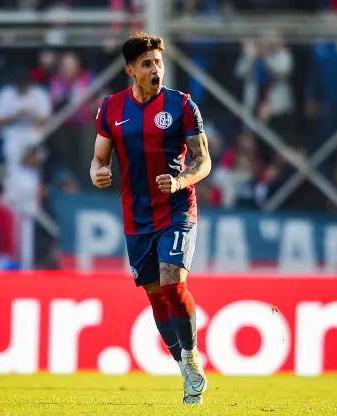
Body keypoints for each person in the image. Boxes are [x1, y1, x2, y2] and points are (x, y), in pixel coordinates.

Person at [90, 32, 212, 405]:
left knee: (173, 283)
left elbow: (203, 161)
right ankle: (182, 364)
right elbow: (99, 159)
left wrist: (179, 181)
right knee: (156, 295)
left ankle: (192, 358)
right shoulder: (111, 108)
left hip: (176, 209)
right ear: (131, 71)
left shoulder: (182, 106)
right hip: (136, 216)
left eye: (158, 61)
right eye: (147, 64)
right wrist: (96, 172)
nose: (155, 68)